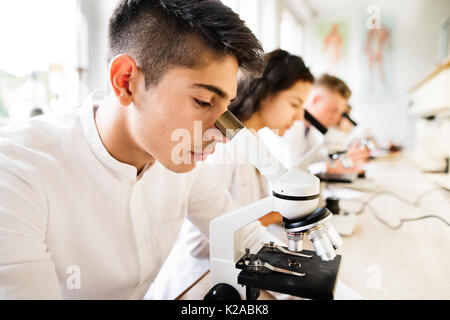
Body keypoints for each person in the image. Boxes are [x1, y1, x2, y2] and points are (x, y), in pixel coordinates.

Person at [0, 0, 277, 299]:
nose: (222, 134)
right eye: (203, 102)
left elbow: (243, 236)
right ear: (126, 81)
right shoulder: (16, 173)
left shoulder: (180, 163)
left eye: (226, 110)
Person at [147, 50, 362, 300]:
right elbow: (201, 239)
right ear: (266, 93)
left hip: (239, 269)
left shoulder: (258, 145)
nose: (299, 116)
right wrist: (273, 215)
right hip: (198, 282)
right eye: (294, 104)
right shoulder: (219, 150)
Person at [282, 74, 370, 175]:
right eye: (333, 111)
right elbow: (290, 170)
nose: (336, 118)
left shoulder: (310, 128)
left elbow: (312, 157)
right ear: (316, 100)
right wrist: (326, 167)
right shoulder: (289, 126)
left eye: (340, 113)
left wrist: (346, 155)